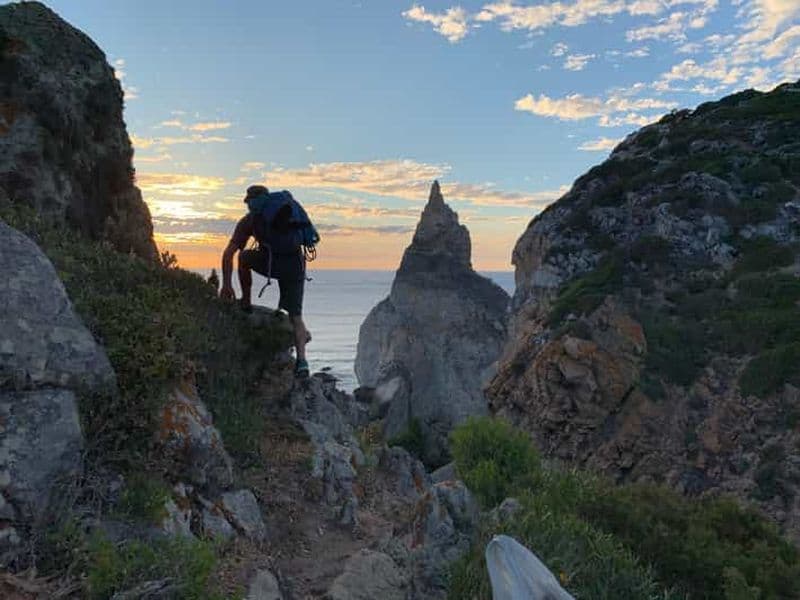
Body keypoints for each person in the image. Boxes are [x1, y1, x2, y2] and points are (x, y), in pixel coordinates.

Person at [220, 185, 310, 377]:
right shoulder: (287, 212)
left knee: (243, 257)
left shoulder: (250, 220)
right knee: (296, 317)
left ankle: (246, 301)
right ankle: (302, 361)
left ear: (250, 202)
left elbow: (229, 254)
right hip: (295, 265)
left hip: (270, 262)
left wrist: (226, 285)